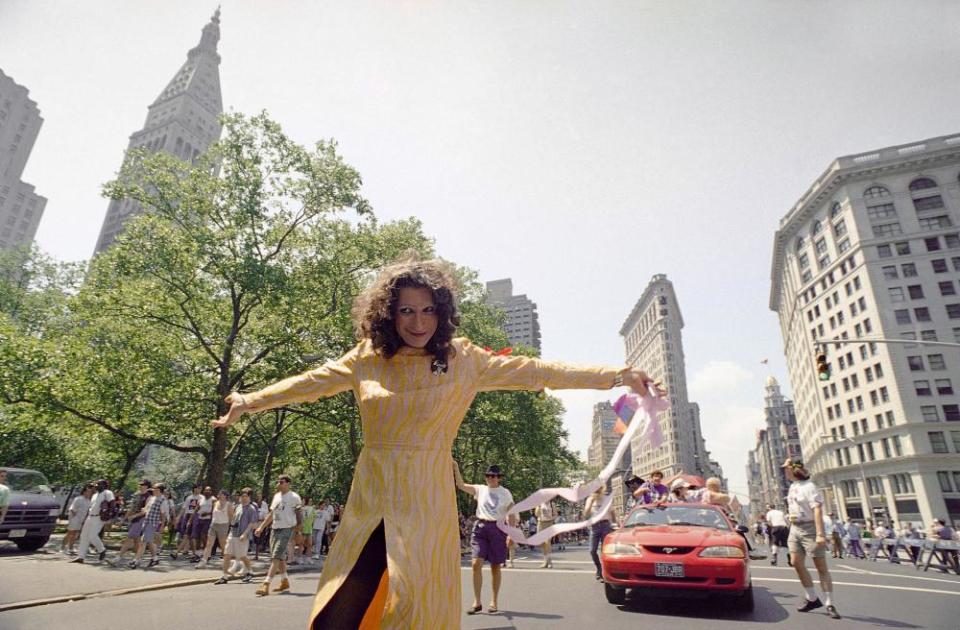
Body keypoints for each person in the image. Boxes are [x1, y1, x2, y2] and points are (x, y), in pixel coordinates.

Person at [211, 254, 660, 628]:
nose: (418, 321)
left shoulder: (465, 360)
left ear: (442, 313)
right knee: (341, 606)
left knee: (413, 604)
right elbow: (310, 382)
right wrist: (249, 401)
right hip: (371, 498)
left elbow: (537, 372)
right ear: (388, 313)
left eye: (428, 310)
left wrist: (617, 376)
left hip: (425, 501)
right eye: (406, 310)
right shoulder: (368, 358)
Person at [455, 463, 516, 615]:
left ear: (499, 478)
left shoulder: (505, 493)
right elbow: (461, 485)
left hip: (498, 529)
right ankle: (477, 602)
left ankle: (494, 601)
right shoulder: (480, 489)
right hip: (481, 527)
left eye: (493, 476)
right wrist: (456, 467)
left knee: (495, 567)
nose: (490, 478)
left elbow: (512, 513)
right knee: (476, 563)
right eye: (488, 476)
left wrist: (511, 533)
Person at [783, 458, 840, 619]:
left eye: (786, 468)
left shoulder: (809, 487)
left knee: (820, 566)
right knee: (795, 562)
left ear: (794, 469)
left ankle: (829, 603)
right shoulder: (793, 486)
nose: (784, 471)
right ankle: (812, 598)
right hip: (795, 528)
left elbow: (817, 510)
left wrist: (820, 534)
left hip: (811, 528)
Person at [253, 474, 302, 596]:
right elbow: (271, 514)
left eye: (281, 482)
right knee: (280, 557)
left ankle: (266, 584)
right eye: (278, 482)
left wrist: (298, 531)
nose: (278, 484)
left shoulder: (294, 497)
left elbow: (299, 515)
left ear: (288, 483)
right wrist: (261, 527)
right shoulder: (276, 497)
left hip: (287, 529)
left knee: (275, 556)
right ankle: (284, 581)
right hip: (275, 528)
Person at [215, 487, 259, 584]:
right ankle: (224, 576)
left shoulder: (251, 509)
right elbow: (233, 519)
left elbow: (253, 524)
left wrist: (245, 534)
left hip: (242, 536)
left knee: (242, 556)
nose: (243, 498)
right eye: (242, 496)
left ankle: (250, 572)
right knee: (226, 554)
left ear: (249, 497)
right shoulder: (238, 506)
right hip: (233, 534)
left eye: (245, 496)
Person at [71, 479, 115, 564]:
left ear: (104, 485)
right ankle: (80, 557)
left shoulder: (108, 493)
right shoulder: (95, 495)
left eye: (98, 484)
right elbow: (91, 507)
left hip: (99, 518)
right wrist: (85, 519)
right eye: (96, 484)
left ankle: (102, 550)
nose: (96, 485)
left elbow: (112, 504)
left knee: (92, 536)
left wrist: (109, 516)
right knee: (84, 536)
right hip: (90, 517)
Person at [132, 482, 170, 568]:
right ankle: (155, 559)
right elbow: (146, 509)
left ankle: (136, 561)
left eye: (155, 489)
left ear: (159, 490)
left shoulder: (163, 500)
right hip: (146, 522)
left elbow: (163, 514)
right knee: (149, 541)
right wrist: (142, 510)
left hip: (153, 523)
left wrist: (162, 526)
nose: (153, 490)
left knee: (143, 541)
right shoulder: (152, 498)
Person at [117, 480, 153, 566]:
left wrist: (134, 516)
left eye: (142, 485)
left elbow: (145, 511)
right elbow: (131, 508)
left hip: (141, 519)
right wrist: (123, 519)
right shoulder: (137, 495)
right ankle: (137, 559)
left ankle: (118, 557)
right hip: (134, 519)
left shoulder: (149, 497)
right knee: (136, 540)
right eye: (140, 484)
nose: (140, 486)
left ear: (147, 486)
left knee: (129, 538)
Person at [584, 486, 615, 581]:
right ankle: (599, 568)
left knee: (604, 551)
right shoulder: (590, 499)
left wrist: (615, 524)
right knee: (592, 550)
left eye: (599, 488)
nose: (597, 490)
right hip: (595, 526)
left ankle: (604, 572)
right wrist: (590, 504)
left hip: (606, 525)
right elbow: (586, 513)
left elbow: (612, 512)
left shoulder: (606, 498)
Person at [197, 489, 233, 568]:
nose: (219, 495)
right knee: (209, 544)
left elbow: (231, 517)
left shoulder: (228, 505)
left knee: (223, 545)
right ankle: (203, 561)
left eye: (221, 494)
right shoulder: (215, 503)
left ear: (225, 496)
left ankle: (227, 561)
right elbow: (213, 514)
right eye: (219, 494)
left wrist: (230, 527)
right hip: (214, 525)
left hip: (223, 525)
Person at [62, 483, 94, 555]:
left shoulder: (89, 501)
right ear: (84, 492)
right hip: (74, 519)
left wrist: (83, 520)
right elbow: (72, 509)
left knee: (75, 534)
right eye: (88, 492)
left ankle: (71, 548)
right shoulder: (78, 499)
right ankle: (63, 548)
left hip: (81, 520)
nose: (90, 493)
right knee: (70, 533)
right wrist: (73, 519)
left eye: (90, 492)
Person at [173, 484, 202, 560]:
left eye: (199, 488)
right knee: (186, 536)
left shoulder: (202, 498)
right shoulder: (189, 498)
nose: (198, 489)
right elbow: (184, 508)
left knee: (193, 536)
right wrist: (179, 517)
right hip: (188, 515)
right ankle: (176, 553)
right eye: (196, 488)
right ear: (194, 489)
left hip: (196, 516)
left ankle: (194, 554)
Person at [534, 500, 557, 568]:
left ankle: (549, 562)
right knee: (542, 543)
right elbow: (536, 514)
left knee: (547, 542)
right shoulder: (539, 503)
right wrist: (538, 506)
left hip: (549, 523)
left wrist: (551, 518)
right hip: (540, 523)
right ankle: (545, 561)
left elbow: (555, 514)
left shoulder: (552, 504)